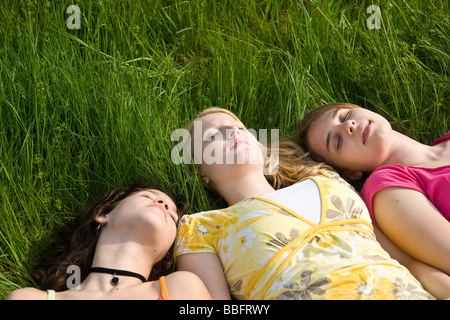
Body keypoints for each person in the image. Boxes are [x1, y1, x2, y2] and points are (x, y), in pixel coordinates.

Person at [174, 107, 441, 300]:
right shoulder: (201, 228)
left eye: (239, 127)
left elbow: (408, 263)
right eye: (212, 136)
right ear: (201, 174)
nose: (233, 133)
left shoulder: (328, 179)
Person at [298, 102, 450, 279]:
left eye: (345, 116)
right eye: (337, 141)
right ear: (351, 173)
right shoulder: (388, 186)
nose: (348, 125)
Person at [6, 183, 211, 300]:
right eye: (148, 196)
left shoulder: (182, 288)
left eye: (173, 217)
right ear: (103, 213)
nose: (164, 204)